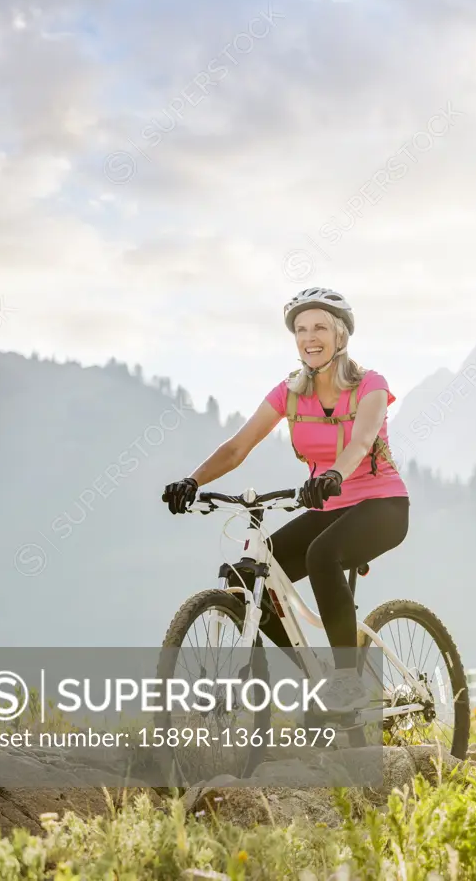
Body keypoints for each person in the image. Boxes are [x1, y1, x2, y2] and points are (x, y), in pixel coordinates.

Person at [162, 287, 409, 707]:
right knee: (243, 578)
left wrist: (333, 474)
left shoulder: (371, 384)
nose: (309, 337)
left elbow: (363, 439)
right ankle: (317, 675)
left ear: (341, 336)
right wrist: (193, 479)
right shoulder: (289, 392)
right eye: (300, 329)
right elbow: (238, 447)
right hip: (328, 507)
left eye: (319, 328)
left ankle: (347, 677)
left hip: (382, 507)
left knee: (321, 555)